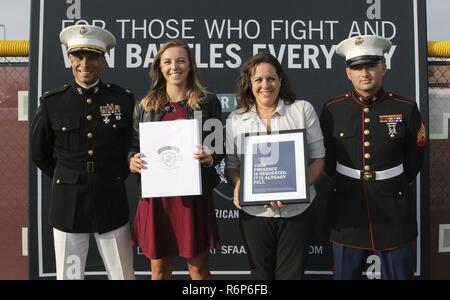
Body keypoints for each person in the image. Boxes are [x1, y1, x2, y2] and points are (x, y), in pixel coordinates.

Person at [30, 25, 135, 280]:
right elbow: (39, 153)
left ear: (103, 59)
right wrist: (66, 177)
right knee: (69, 276)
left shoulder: (122, 100)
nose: (85, 63)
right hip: (68, 201)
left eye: (93, 56)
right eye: (78, 56)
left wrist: (114, 175)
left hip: (110, 195)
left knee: (122, 274)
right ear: (70, 59)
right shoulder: (52, 102)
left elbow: (129, 145)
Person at [320, 35, 427, 280]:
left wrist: (390, 181)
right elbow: (326, 157)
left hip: (393, 209)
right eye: (357, 67)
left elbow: (415, 158)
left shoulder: (405, 108)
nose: (364, 73)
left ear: (384, 67)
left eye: (370, 65)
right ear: (348, 73)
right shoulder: (332, 109)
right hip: (347, 210)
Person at [224, 52, 325, 280]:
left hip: (297, 211)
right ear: (249, 83)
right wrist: (239, 184)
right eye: (258, 80)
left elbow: (319, 160)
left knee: (291, 276)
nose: (265, 85)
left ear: (280, 80)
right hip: (255, 214)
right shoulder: (235, 119)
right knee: (261, 277)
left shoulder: (301, 110)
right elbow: (231, 166)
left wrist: (294, 188)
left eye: (270, 78)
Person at [128, 39, 222, 280]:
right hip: (157, 200)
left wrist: (209, 158)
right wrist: (132, 160)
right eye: (168, 62)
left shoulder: (208, 102)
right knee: (159, 270)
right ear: (159, 66)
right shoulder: (145, 106)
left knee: (198, 268)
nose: (174, 67)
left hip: (193, 198)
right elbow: (133, 146)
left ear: (190, 65)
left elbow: (218, 148)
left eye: (181, 61)